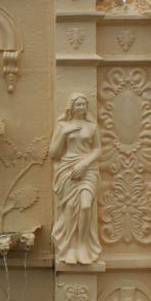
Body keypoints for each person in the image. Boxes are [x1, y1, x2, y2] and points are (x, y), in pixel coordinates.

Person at [50, 93, 102, 264]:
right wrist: (64, 134)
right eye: (78, 105)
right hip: (67, 170)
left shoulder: (92, 126)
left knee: (86, 205)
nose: (81, 108)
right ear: (71, 107)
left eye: (83, 105)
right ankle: (70, 247)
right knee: (71, 207)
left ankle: (82, 245)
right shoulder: (63, 125)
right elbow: (53, 154)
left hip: (87, 169)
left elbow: (97, 150)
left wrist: (84, 164)